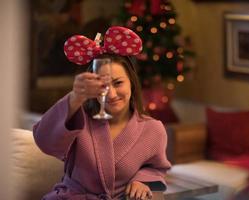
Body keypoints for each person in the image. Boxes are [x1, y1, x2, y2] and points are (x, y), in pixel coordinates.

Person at [33, 26, 171, 200]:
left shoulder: (153, 129)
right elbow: (45, 141)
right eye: (102, 85)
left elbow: (156, 168)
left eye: (118, 83)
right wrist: (75, 98)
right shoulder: (77, 120)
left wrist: (142, 180)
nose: (111, 94)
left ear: (132, 83)